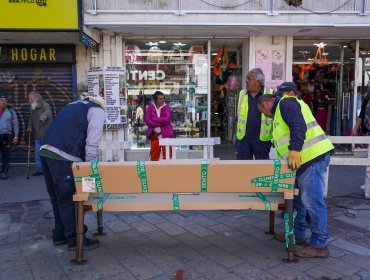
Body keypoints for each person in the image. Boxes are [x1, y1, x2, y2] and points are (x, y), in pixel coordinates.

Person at [258, 84, 334, 258]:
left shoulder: (286, 103)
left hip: (311, 159)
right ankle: (298, 235)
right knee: (298, 200)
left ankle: (319, 245)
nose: (264, 116)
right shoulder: (279, 113)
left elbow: (298, 126)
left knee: (313, 202)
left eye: (262, 112)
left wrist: (294, 150)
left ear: (266, 104)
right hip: (301, 163)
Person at [40, 95, 106, 250]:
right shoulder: (97, 111)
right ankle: (75, 239)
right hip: (63, 155)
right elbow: (92, 144)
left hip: (45, 151)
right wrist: (90, 171)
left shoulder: (74, 105)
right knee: (69, 197)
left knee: (57, 197)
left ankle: (59, 234)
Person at [235, 68, 272, 160]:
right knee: (243, 168)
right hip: (243, 139)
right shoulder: (242, 93)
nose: (246, 81)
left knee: (262, 170)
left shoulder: (270, 94)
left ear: (257, 82)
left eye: (249, 79)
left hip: (262, 140)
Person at [27, 92, 53, 176]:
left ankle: (49, 170)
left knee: (47, 154)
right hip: (37, 135)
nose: (29, 101)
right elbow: (31, 118)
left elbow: (48, 112)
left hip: (45, 135)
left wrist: (44, 115)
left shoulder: (45, 105)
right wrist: (29, 127)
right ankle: (39, 170)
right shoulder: (33, 108)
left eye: (30, 99)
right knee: (38, 154)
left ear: (36, 99)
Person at [145, 91, 174, 161]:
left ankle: (168, 172)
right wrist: (161, 123)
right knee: (154, 159)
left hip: (166, 136)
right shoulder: (149, 108)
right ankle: (154, 172)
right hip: (154, 136)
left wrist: (154, 119)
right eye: (160, 99)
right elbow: (147, 121)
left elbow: (167, 119)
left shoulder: (167, 107)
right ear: (155, 100)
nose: (162, 100)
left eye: (163, 98)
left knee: (168, 158)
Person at [0, 92, 19, 180]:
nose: (4, 102)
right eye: (1, 100)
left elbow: (15, 124)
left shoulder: (11, 111)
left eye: (5, 100)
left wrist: (16, 136)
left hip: (7, 136)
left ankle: (4, 172)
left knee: (6, 155)